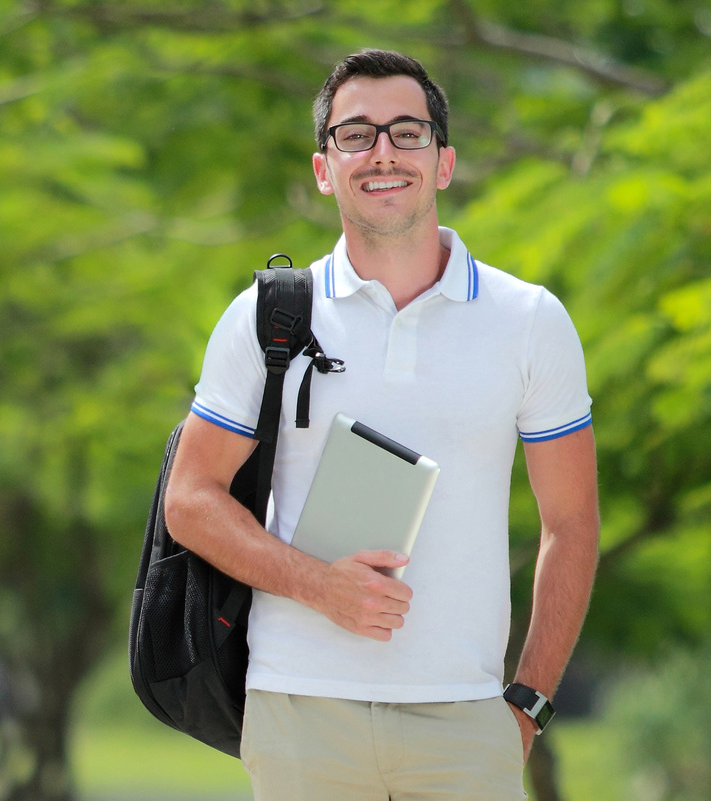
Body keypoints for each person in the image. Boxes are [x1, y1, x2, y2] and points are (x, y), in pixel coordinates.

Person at [164, 49, 599, 800]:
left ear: (444, 162)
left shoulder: (529, 322)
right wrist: (317, 585)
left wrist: (524, 706)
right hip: (300, 710)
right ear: (324, 168)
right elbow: (189, 500)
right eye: (355, 135)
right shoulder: (266, 319)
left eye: (408, 132)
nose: (383, 153)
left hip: (465, 718)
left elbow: (572, 523)